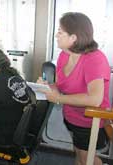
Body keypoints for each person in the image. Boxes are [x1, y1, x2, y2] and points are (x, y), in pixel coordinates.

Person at [37, 12, 111, 165]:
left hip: (89, 121)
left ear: (74, 37)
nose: (56, 35)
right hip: (71, 116)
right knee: (79, 156)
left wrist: (58, 98)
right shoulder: (64, 55)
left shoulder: (95, 59)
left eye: (60, 32)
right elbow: (60, 85)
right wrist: (47, 86)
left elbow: (95, 99)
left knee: (86, 160)